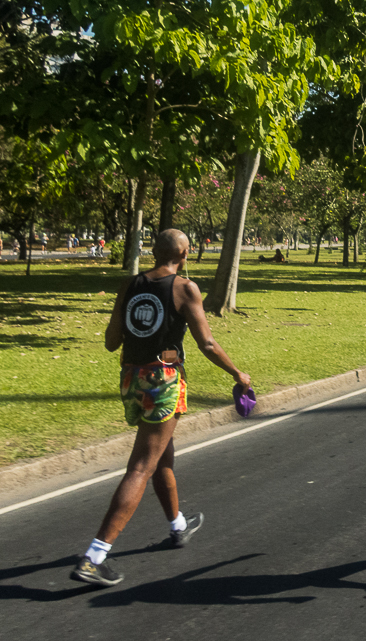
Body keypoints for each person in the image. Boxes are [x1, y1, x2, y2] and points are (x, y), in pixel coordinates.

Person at [70, 230, 251, 588]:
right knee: (141, 465)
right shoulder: (185, 288)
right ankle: (94, 557)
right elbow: (208, 344)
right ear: (184, 254)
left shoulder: (131, 284)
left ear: (155, 252)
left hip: (131, 379)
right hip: (163, 381)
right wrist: (238, 373)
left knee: (160, 455)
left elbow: (111, 342)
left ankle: (178, 525)